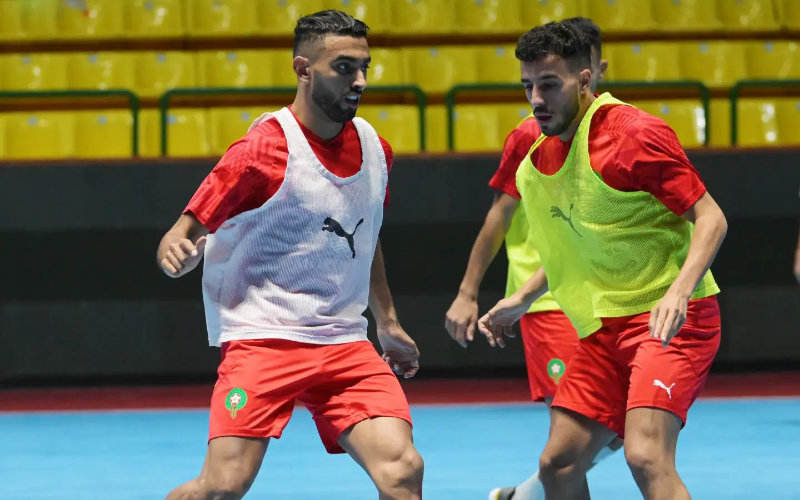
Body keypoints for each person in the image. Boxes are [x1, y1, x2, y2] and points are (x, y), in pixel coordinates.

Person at [157, 10, 423, 500]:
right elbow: (182, 232)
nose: (360, 80)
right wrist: (178, 251)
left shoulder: (377, 150)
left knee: (403, 469)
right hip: (264, 338)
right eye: (344, 67)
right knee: (222, 487)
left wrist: (386, 321)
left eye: (365, 66)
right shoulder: (259, 151)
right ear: (303, 69)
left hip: (344, 342)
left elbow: (364, 237)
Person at [478, 21, 727, 500]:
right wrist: (522, 297)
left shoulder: (635, 135)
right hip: (605, 328)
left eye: (550, 85)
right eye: (528, 86)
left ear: (586, 79)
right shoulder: (538, 159)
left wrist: (678, 292)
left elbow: (711, 218)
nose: (536, 98)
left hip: (671, 319)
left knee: (646, 455)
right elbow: (579, 244)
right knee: (559, 463)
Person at [444, 17, 617, 500]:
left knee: (619, 430)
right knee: (573, 440)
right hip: (546, 304)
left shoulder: (617, 134)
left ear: (594, 71)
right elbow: (497, 217)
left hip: (607, 301)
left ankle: (523, 496)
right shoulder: (530, 137)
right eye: (531, 85)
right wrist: (467, 292)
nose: (539, 95)